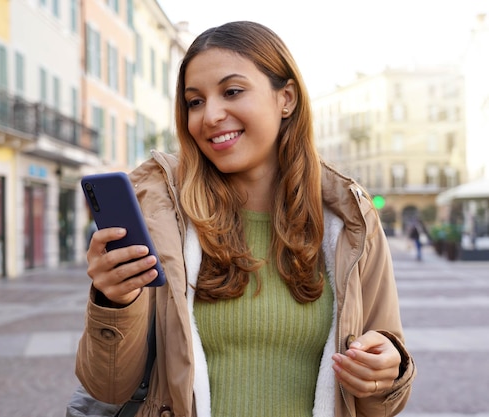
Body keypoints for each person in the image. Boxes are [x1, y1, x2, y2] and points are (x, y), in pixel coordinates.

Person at [75, 21, 416, 416]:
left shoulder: (350, 221)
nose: (210, 115)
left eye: (232, 91)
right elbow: (109, 386)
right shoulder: (162, 218)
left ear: (285, 98)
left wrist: (386, 370)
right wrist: (114, 300)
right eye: (195, 101)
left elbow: (382, 404)